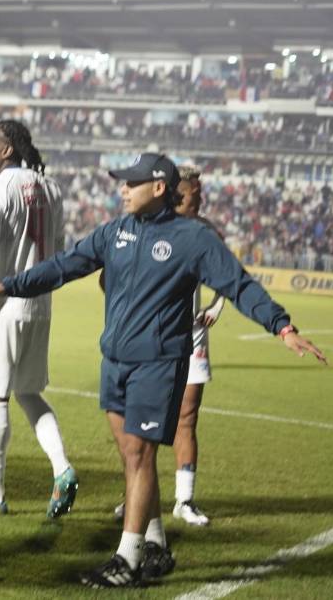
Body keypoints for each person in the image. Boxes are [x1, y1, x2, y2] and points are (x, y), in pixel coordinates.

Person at [0, 152, 327, 588]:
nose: (122, 189)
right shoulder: (115, 231)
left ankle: (127, 558)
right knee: (131, 456)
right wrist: (7, 286)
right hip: (114, 360)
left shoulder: (194, 238)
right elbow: (65, 266)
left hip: (158, 363)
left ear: (158, 188)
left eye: (131, 183)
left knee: (139, 455)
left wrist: (281, 326)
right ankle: (155, 543)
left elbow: (238, 283)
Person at [0, 120, 77, 518]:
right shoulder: (51, 187)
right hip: (38, 307)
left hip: (0, 307)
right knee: (27, 392)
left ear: (6, 151)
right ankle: (63, 468)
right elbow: (57, 252)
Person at [113, 165, 224, 526]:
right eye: (196, 194)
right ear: (178, 194)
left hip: (191, 335)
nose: (200, 200)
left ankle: (184, 500)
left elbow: (230, 276)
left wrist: (216, 307)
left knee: (186, 417)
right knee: (139, 425)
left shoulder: (205, 232)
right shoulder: (146, 227)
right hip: (151, 336)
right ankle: (135, 496)